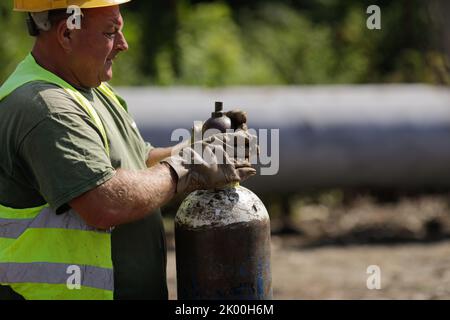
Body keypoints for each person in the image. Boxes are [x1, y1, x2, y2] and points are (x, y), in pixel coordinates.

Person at [0, 0, 256, 300]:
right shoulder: (46, 107)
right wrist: (188, 166)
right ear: (67, 33)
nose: (124, 44)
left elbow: (138, 160)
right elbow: (104, 201)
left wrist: (198, 148)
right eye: (110, 32)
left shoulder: (89, 89)